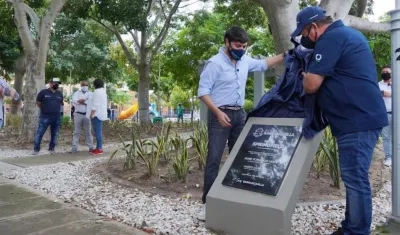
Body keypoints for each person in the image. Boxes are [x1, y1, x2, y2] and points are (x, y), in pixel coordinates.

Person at [292, 6, 388, 235]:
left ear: (314, 27)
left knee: (355, 178)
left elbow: (313, 84)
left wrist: (305, 77)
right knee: (354, 176)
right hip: (359, 118)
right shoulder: (347, 35)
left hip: (357, 119)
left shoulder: (331, 39)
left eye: (304, 33)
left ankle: (357, 231)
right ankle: (350, 226)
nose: (304, 39)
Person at [197, 26, 285, 221]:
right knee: (214, 160)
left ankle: (236, 200)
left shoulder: (244, 60)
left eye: (244, 46)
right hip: (220, 115)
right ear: (227, 42)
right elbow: (203, 91)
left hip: (240, 115)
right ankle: (207, 205)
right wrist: (218, 113)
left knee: (241, 159)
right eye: (238, 45)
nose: (241, 49)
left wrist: (284, 55)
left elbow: (263, 64)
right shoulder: (214, 63)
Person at [33, 78, 64, 155]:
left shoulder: (59, 93)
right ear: (50, 83)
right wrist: (45, 109)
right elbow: (38, 102)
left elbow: (61, 103)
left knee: (55, 133)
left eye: (58, 83)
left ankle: (52, 149)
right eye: (55, 83)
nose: (56, 84)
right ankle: (36, 150)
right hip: (45, 117)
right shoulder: (43, 92)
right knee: (40, 133)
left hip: (56, 117)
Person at [70, 80, 94, 153]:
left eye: (86, 85)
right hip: (78, 114)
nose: (85, 86)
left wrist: (81, 101)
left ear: (88, 86)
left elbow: (91, 103)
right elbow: (74, 101)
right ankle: (74, 148)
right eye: (83, 85)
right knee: (76, 132)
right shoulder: (76, 93)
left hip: (87, 114)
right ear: (81, 86)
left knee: (88, 132)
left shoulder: (91, 93)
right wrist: (86, 101)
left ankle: (91, 147)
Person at [87, 78, 108, 155]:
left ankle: (99, 149)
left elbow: (96, 105)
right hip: (101, 114)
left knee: (98, 132)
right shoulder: (103, 92)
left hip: (96, 115)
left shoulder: (97, 92)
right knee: (98, 132)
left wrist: (92, 114)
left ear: (95, 84)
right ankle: (98, 147)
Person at [378, 65, 392, 167]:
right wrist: (382, 93)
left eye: (387, 71)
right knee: (386, 137)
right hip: (385, 114)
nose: (385, 73)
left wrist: (391, 93)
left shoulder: (397, 83)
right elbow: (375, 93)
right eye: (383, 72)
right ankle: (389, 157)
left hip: (397, 113)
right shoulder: (379, 85)